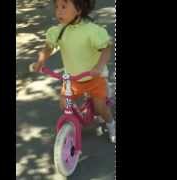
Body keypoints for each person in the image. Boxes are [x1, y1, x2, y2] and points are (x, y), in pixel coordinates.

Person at [33, 0, 116, 143]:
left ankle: (111, 125)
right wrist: (40, 62)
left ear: (78, 10)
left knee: (101, 108)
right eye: (57, 7)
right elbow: (48, 47)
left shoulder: (92, 31)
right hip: (72, 79)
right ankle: (77, 116)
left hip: (94, 78)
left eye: (64, 7)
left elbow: (106, 48)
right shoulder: (58, 31)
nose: (58, 11)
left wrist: (99, 67)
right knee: (64, 104)